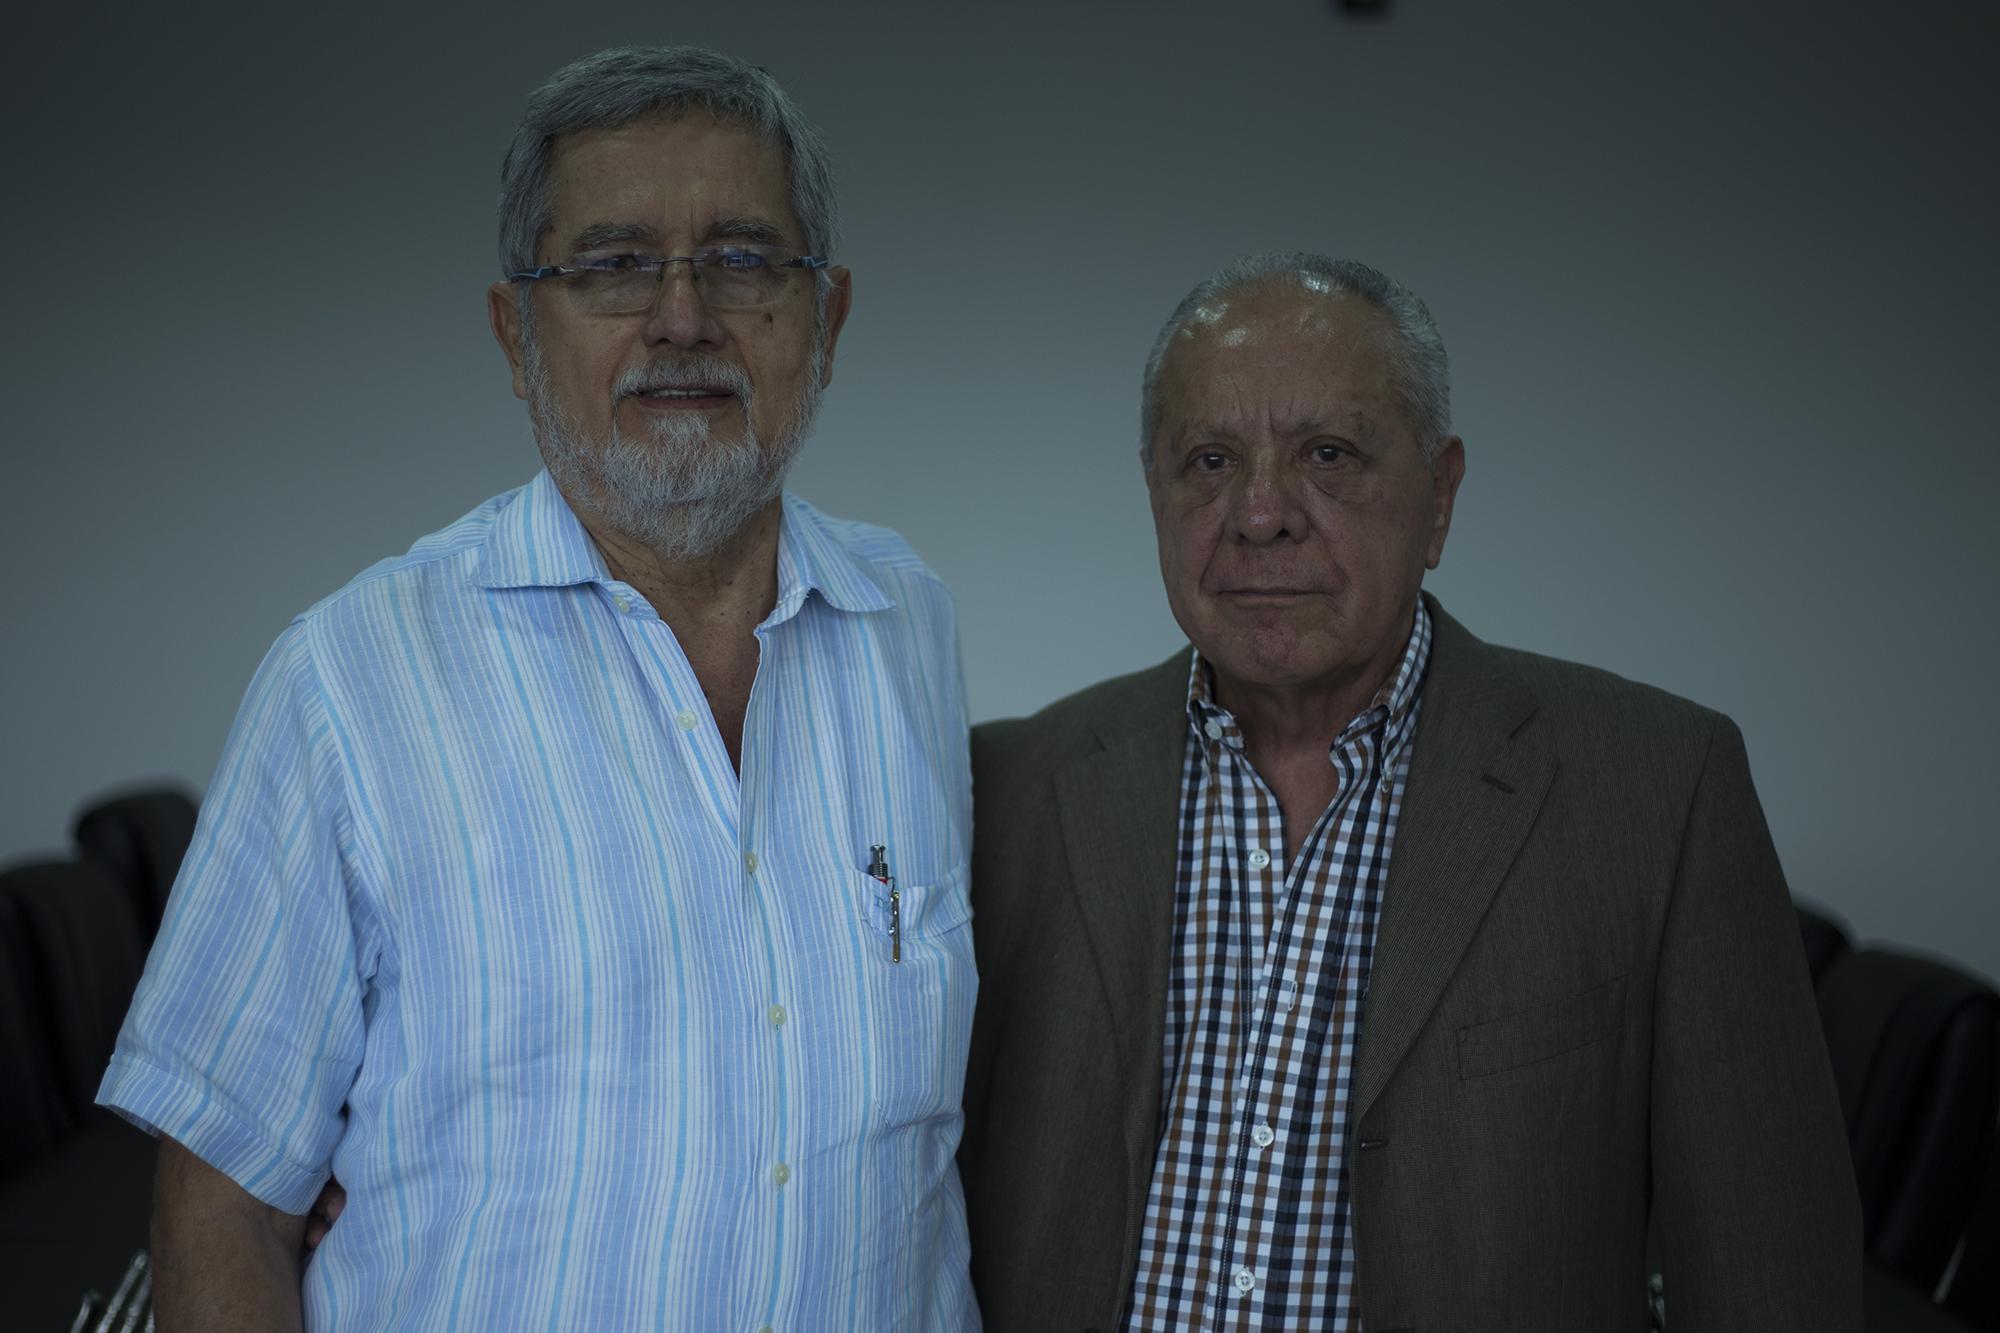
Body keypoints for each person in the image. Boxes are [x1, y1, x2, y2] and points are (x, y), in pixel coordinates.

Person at [99, 46, 978, 1331]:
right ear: (517, 334)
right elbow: (222, 1206)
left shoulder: (910, 622)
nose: (681, 317)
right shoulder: (349, 680)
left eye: (741, 259)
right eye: (613, 265)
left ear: (827, 321)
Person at [956, 253, 1862, 1330]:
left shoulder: (1658, 791)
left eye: (1326, 454)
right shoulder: (1005, 791)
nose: (1257, 514)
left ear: (1438, 498)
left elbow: (1770, 1278)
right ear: (1154, 493)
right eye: (1208, 459)